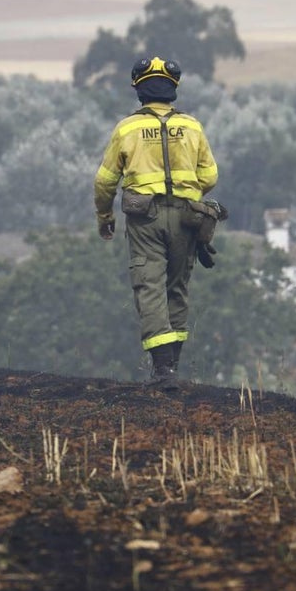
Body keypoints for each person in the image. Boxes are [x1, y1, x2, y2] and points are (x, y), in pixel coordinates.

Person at [94, 57, 219, 388]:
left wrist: (105, 216)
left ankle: (162, 371)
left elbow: (104, 182)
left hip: (144, 219)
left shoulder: (126, 129)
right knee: (177, 287)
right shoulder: (192, 127)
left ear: (139, 90)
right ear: (172, 89)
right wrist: (187, 192)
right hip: (186, 218)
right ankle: (173, 366)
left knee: (149, 287)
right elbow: (210, 175)